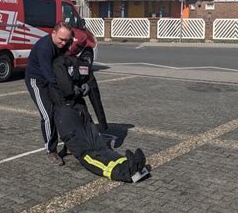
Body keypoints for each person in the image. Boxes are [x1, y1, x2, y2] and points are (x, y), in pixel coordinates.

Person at [50, 53, 150, 183]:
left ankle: (127, 163)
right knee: (86, 152)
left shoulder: (81, 64)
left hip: (80, 109)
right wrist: (74, 89)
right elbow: (64, 88)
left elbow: (94, 92)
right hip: (65, 112)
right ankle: (124, 171)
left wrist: (102, 124)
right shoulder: (57, 63)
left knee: (100, 146)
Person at [25, 21, 72, 165]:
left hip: (51, 79)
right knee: (47, 114)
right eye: (61, 39)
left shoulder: (63, 44)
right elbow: (48, 74)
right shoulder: (44, 47)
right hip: (37, 81)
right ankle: (51, 151)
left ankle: (68, 143)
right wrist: (66, 89)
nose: (63, 43)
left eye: (66, 40)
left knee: (60, 111)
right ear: (53, 33)